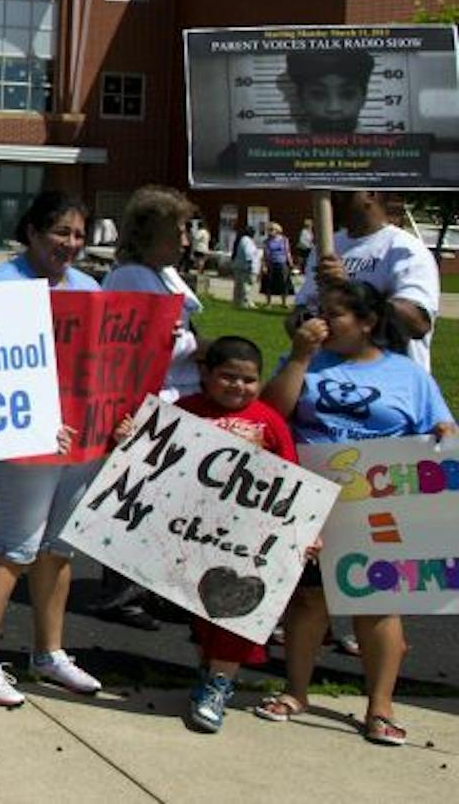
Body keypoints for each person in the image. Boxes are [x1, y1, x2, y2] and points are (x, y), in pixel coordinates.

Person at [258, 280, 457, 745]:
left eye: (335, 314)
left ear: (367, 323)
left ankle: (380, 707)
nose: (320, 322)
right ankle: (296, 692)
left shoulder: (407, 375)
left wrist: (445, 429)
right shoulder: (305, 360)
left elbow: (439, 426)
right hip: (314, 497)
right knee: (309, 600)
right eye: (318, 312)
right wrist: (301, 357)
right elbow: (271, 413)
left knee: (377, 602)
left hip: (379, 504)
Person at [0, 191, 109, 707]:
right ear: (34, 233)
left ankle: (49, 652)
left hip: (83, 437)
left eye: (79, 234)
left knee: (59, 547)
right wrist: (37, 423)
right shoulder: (2, 285)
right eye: (61, 232)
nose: (71, 243)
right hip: (25, 441)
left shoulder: (89, 286)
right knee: (16, 544)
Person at [95, 185, 205, 630]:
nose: (185, 240)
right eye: (177, 230)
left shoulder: (164, 275)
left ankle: (154, 587)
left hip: (178, 399)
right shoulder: (130, 278)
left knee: (166, 503)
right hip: (148, 403)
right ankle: (121, 593)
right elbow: (144, 346)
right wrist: (202, 350)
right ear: (151, 232)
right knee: (135, 500)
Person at [175, 335, 296, 733]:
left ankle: (219, 683)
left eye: (249, 380)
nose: (239, 387)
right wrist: (128, 436)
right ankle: (208, 670)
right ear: (205, 375)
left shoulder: (270, 421)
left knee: (237, 610)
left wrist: (303, 531)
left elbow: (293, 486)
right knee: (202, 612)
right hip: (187, 533)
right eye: (228, 377)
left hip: (249, 539)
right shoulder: (184, 411)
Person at [293, 191, 439, 372]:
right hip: (330, 379)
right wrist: (306, 324)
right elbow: (298, 315)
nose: (333, 198)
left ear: (371, 194)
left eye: (343, 192)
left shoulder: (405, 249)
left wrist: (351, 290)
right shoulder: (326, 248)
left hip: (392, 383)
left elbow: (418, 324)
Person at [260, 221, 295, 306]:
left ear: (277, 230)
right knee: (269, 283)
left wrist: (291, 263)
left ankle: (284, 302)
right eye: (269, 230)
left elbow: (287, 252)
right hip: (271, 264)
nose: (270, 231)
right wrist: (264, 265)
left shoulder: (284, 240)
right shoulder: (267, 241)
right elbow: (265, 254)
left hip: (282, 263)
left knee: (283, 283)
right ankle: (268, 302)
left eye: (272, 229)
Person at [230, 225, 260, 308]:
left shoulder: (241, 240)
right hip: (246, 267)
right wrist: (250, 263)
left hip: (240, 265)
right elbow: (248, 253)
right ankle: (245, 302)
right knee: (246, 285)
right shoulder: (247, 240)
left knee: (239, 286)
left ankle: (237, 302)